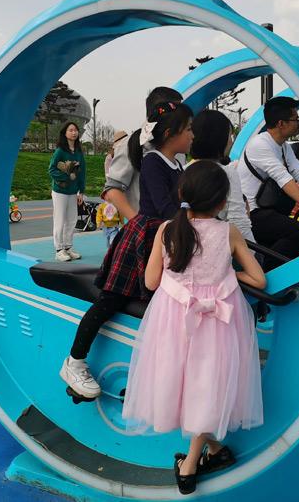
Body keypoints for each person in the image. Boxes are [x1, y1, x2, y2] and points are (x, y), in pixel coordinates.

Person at [122, 161, 265, 494]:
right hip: (217, 322)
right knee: (206, 385)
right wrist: (228, 276)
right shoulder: (228, 232)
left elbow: (151, 281)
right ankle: (213, 451)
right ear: (222, 201)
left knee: (179, 383)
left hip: (173, 319)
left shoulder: (167, 230)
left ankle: (189, 465)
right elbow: (258, 279)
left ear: (182, 193)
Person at [60, 101, 193, 400]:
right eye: (188, 129)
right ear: (170, 133)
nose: (192, 135)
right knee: (109, 301)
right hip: (144, 239)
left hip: (164, 237)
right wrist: (197, 224)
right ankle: (75, 361)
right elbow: (165, 206)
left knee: (159, 305)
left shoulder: (176, 163)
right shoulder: (154, 162)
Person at [237, 97, 299, 267]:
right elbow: (284, 178)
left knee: (295, 255)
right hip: (252, 213)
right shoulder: (260, 144)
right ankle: (264, 271)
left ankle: (270, 269)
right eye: (296, 119)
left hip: (270, 211)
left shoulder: (283, 146)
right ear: (281, 123)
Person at [103, 87, 184, 221]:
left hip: (173, 227)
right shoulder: (130, 144)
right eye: (179, 111)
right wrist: (137, 222)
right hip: (146, 228)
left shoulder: (177, 145)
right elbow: (113, 188)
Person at [190, 109, 253, 241]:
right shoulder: (226, 173)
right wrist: (252, 251)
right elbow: (238, 221)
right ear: (218, 139)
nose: (231, 141)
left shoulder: (183, 171)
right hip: (219, 245)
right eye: (229, 135)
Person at [49, 121, 87, 261]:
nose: (74, 132)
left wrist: (81, 191)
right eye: (70, 130)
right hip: (60, 191)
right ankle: (59, 250)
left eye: (75, 130)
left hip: (73, 192)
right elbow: (51, 170)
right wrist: (67, 175)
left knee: (71, 220)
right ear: (65, 133)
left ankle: (68, 247)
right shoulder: (60, 151)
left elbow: (82, 173)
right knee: (59, 220)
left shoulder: (78, 152)